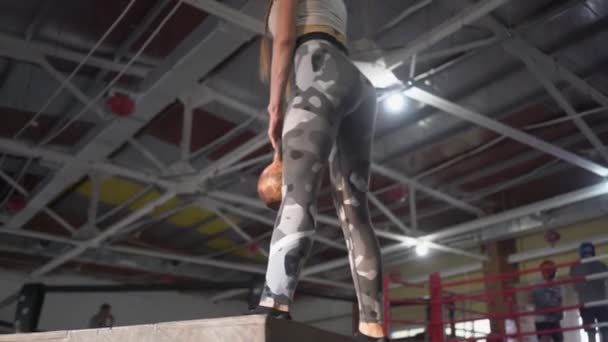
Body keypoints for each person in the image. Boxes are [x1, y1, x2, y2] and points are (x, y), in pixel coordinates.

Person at [253, 1, 386, 341]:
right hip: (358, 84)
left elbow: (283, 41)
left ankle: (275, 302)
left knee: (298, 196)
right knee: (356, 210)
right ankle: (372, 325)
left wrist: (274, 109)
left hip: (318, 70)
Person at [570, 242, 608, 342]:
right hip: (588, 303)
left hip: (599, 302)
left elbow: (604, 281)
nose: (588, 254)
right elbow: (577, 286)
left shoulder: (600, 265)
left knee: (604, 330)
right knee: (594, 331)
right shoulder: (576, 267)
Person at [531, 260, 564, 342]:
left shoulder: (558, 285)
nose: (549, 272)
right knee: (545, 339)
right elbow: (541, 303)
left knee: (559, 339)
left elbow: (560, 300)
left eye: (551, 269)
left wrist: (560, 311)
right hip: (542, 319)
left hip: (554, 319)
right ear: (542, 272)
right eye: (546, 270)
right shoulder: (537, 285)